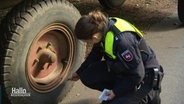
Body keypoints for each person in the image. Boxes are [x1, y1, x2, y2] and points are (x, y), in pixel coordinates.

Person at [69, 10, 164, 104]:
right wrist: (79, 72)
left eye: (86, 41)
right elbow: (94, 56)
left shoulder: (123, 42)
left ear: (94, 37)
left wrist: (115, 92)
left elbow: (138, 74)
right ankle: (123, 93)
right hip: (127, 70)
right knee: (87, 75)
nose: (87, 44)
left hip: (145, 77)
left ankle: (149, 97)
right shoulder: (101, 28)